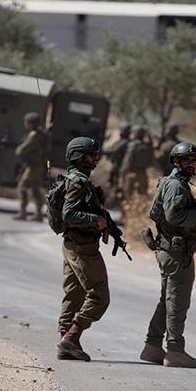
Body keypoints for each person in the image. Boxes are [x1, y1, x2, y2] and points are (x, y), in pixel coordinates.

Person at [140, 142, 196, 368]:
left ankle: (153, 346)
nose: (192, 163)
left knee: (167, 300)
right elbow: (174, 216)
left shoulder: (175, 183)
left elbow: (175, 222)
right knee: (177, 302)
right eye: (186, 160)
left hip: (172, 250)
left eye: (194, 160)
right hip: (176, 254)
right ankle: (175, 351)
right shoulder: (176, 185)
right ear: (175, 161)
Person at [57, 137, 110, 361]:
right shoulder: (78, 182)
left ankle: (66, 342)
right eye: (91, 155)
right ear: (78, 157)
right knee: (100, 296)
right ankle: (70, 338)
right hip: (83, 247)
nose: (96, 158)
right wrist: (95, 220)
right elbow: (69, 214)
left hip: (72, 244)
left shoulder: (76, 179)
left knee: (74, 294)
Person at [13, 112, 48, 221]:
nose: (25, 124)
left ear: (31, 124)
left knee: (22, 186)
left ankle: (22, 212)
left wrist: (18, 149)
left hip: (33, 166)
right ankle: (38, 214)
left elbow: (22, 150)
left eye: (26, 122)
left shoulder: (34, 135)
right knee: (35, 188)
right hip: (37, 165)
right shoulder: (40, 134)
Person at [119, 125, 154, 197]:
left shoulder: (132, 146)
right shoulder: (148, 147)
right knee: (143, 195)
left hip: (131, 174)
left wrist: (121, 175)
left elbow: (126, 163)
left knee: (128, 195)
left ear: (135, 134)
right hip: (143, 173)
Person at [102, 123, 132, 190]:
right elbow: (112, 148)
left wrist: (101, 150)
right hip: (117, 164)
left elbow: (113, 150)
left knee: (116, 182)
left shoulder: (124, 142)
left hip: (119, 165)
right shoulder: (122, 141)